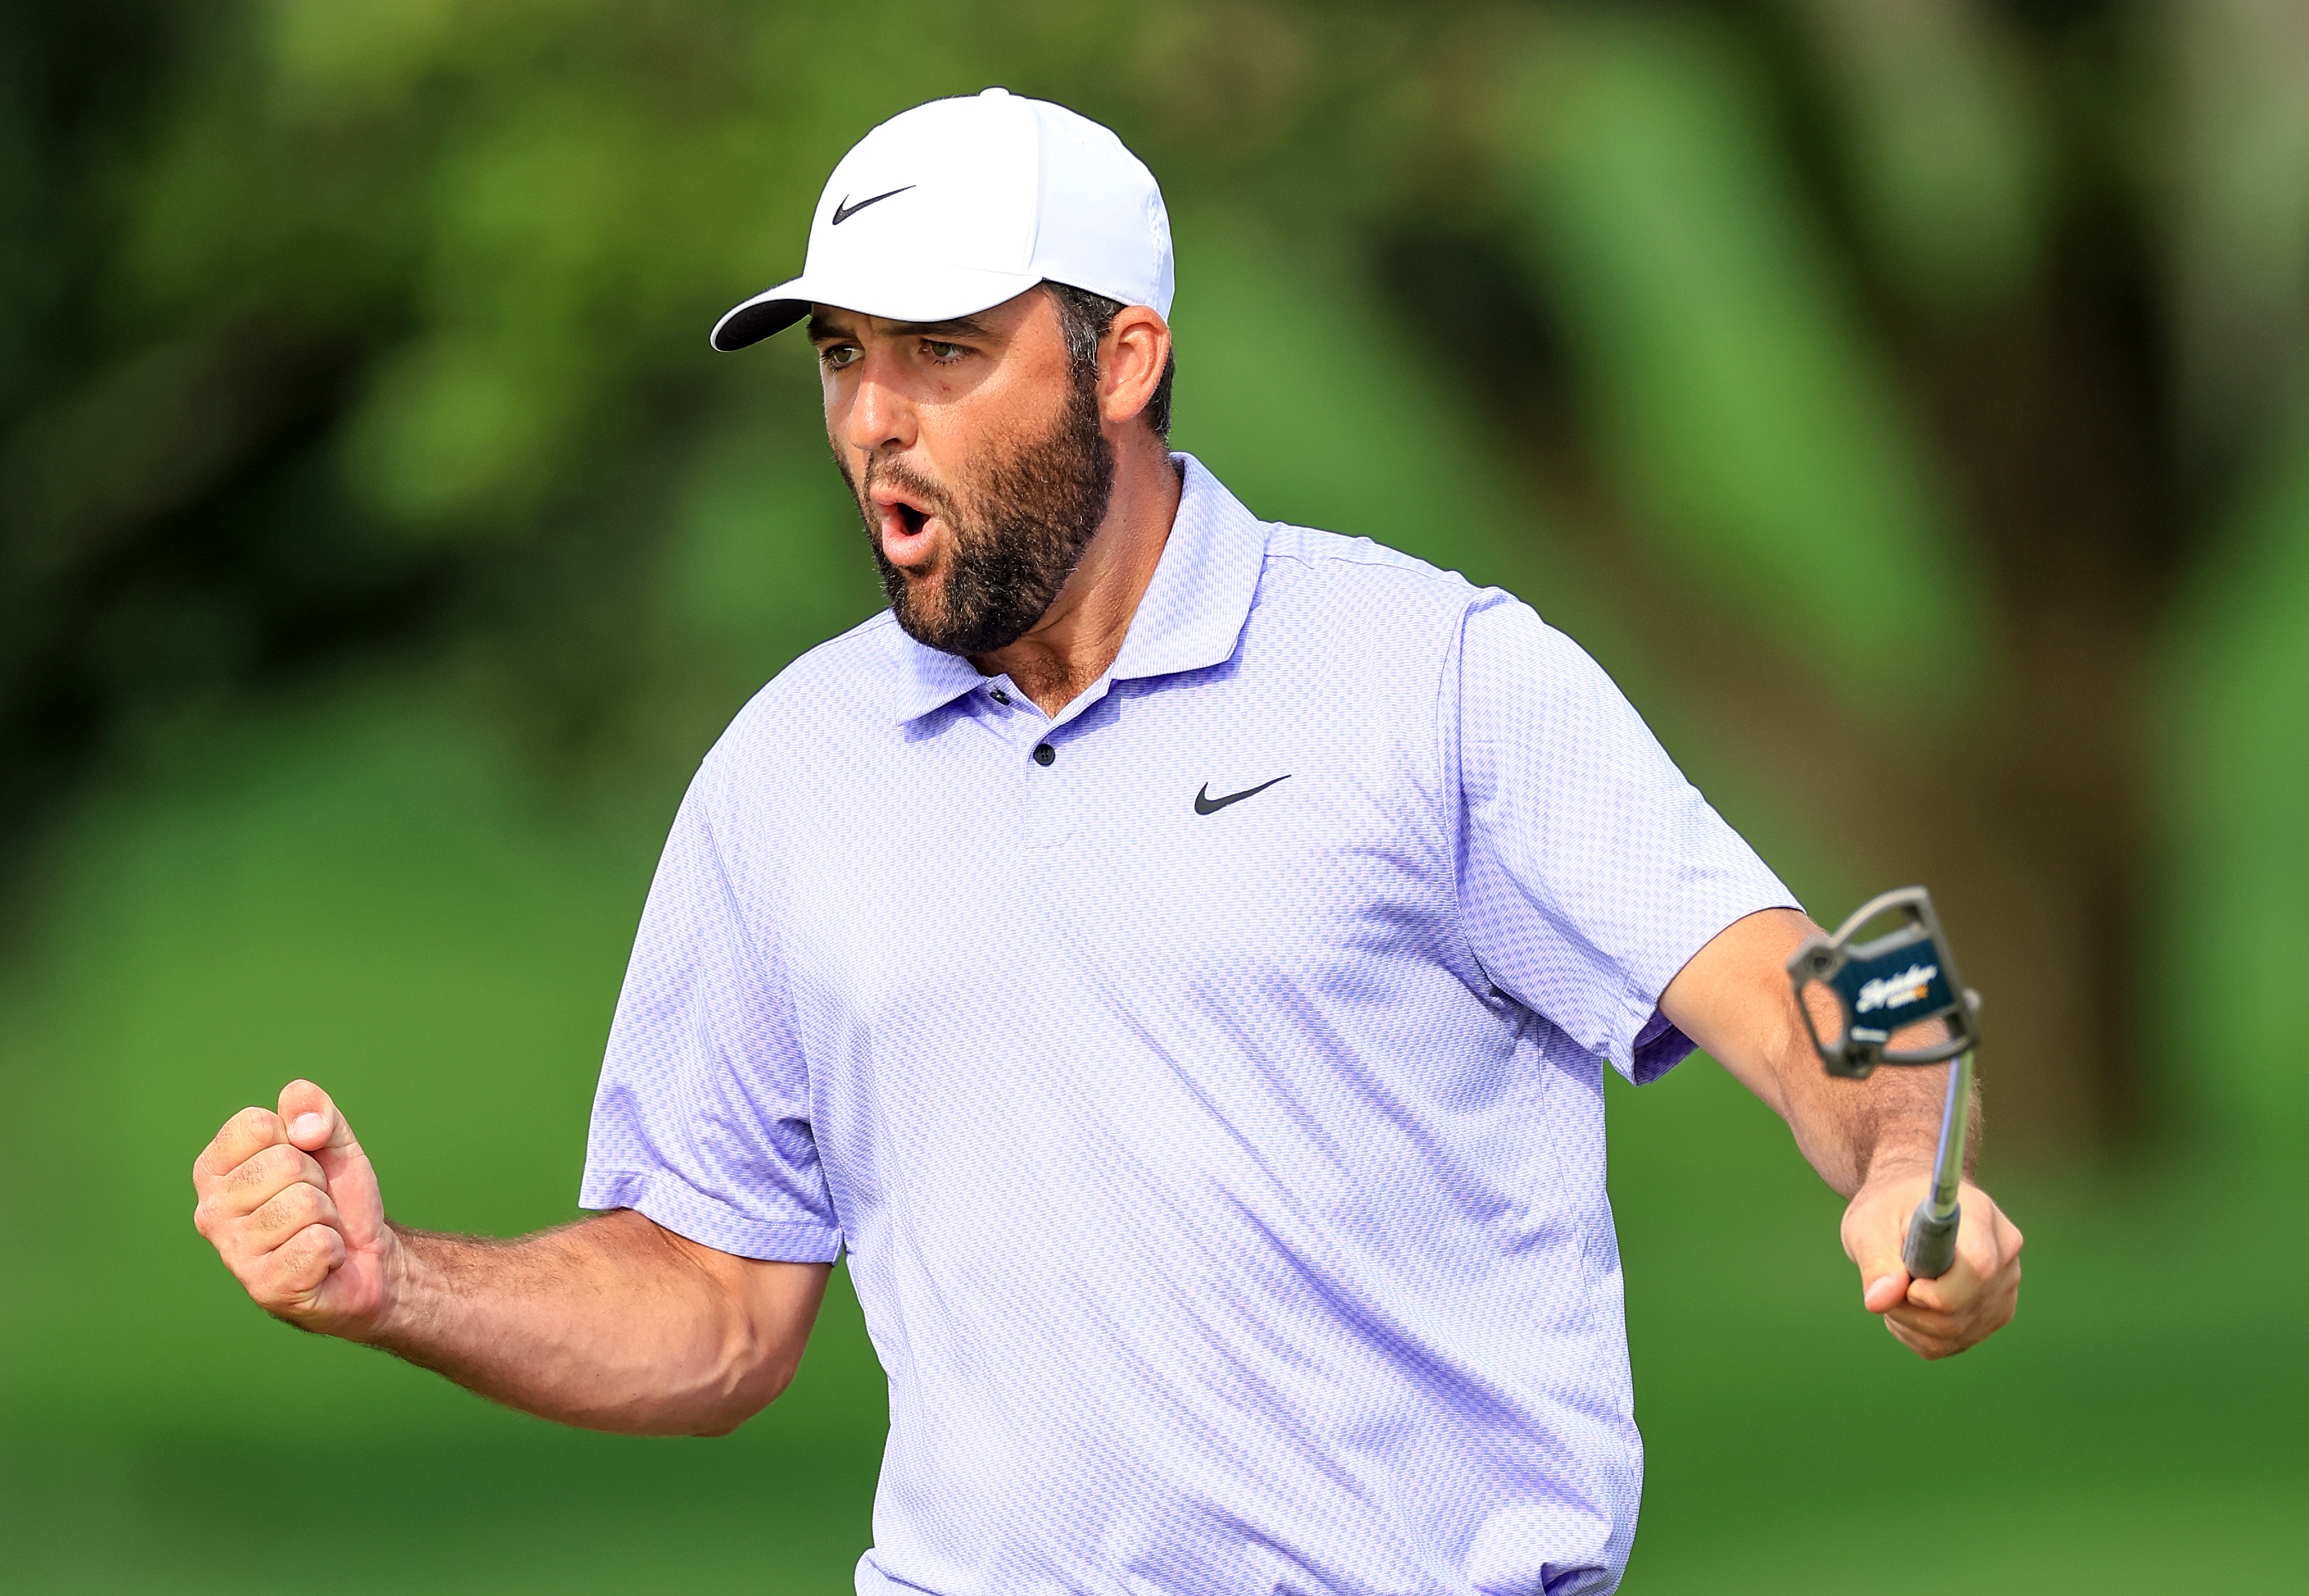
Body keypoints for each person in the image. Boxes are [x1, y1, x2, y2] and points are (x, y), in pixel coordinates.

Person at [190, 88, 2022, 1595]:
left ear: (1121, 356)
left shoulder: (1430, 676)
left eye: (944, 350)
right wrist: (391, 1279)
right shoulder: (787, 776)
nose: (874, 420)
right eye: (842, 356)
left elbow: (1815, 991)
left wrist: (1893, 1156)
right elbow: (720, 1305)